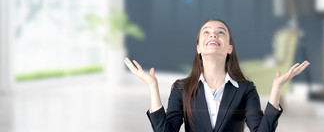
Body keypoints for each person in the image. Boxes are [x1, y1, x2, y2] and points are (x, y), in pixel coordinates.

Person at [124, 18, 310, 132]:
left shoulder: (246, 89)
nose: (213, 35)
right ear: (198, 47)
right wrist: (152, 87)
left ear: (230, 47)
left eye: (220, 33)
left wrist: (276, 89)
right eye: (207, 32)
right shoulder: (181, 88)